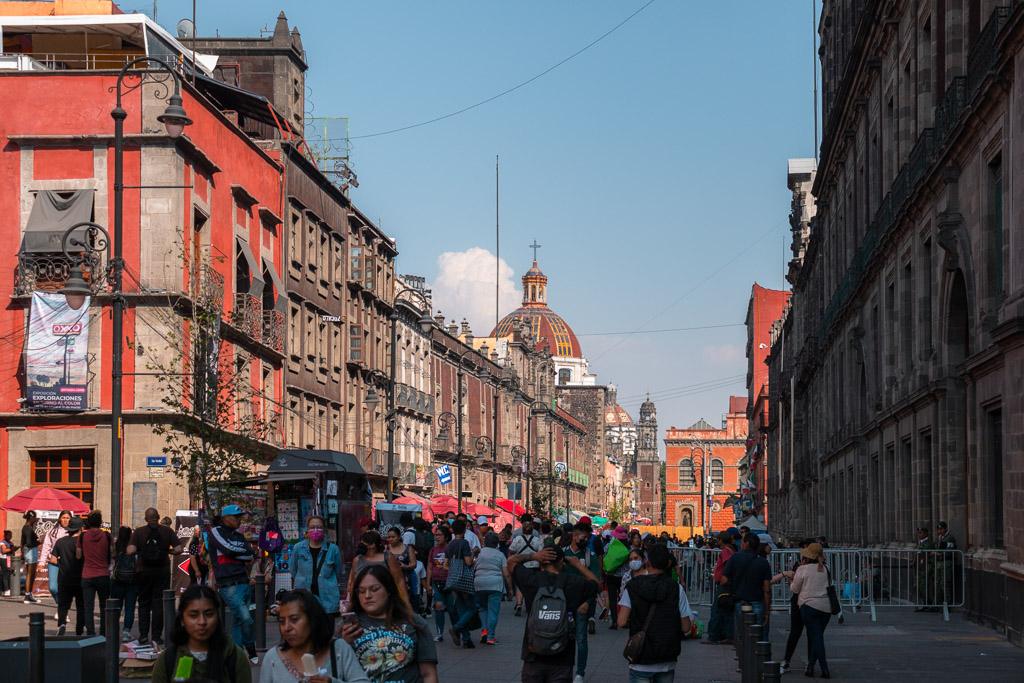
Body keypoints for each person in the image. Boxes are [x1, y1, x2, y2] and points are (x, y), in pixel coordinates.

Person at [507, 541, 600, 683]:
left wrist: (533, 556)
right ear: (562, 562)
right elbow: (596, 584)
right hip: (562, 656)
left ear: (542, 561)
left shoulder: (532, 579)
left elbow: (511, 562)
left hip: (533, 655)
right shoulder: (573, 582)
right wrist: (577, 564)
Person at [341, 564, 439, 683]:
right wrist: (343, 643)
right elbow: (333, 669)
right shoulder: (349, 626)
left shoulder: (413, 622)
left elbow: (428, 674)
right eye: (361, 591)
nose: (367, 596)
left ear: (388, 590)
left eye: (374, 589)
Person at [618, 544, 693, 683]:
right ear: (668, 563)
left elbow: (621, 621)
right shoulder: (676, 589)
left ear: (648, 562)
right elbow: (686, 627)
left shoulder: (633, 586)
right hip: (667, 657)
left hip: (641, 658)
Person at [260, 589, 368, 683]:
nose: (286, 627)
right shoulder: (273, 658)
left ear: (312, 620)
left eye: (294, 619)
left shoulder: (339, 649)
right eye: (282, 621)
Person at [152, 584, 252, 683]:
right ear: (182, 619)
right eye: (193, 615)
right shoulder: (168, 659)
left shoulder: (234, 657)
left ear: (217, 617)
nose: (202, 622)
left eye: (209, 614)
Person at [207, 504, 258, 663]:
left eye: (240, 517)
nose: (239, 521)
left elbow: (250, 555)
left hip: (243, 581)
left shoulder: (239, 536)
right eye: (236, 517)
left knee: (238, 620)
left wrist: (238, 553)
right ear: (225, 518)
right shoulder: (215, 531)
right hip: (228, 584)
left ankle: (237, 655)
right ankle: (250, 647)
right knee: (246, 618)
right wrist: (240, 552)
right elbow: (230, 550)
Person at [128, 507, 183, 646]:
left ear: (146, 519)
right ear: (158, 517)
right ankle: (156, 637)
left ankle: (143, 635)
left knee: (143, 604)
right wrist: (168, 551)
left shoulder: (139, 532)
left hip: (143, 572)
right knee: (159, 604)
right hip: (162, 571)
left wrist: (139, 550)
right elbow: (179, 549)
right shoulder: (167, 531)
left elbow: (130, 550)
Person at [789, 543, 832, 678]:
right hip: (826, 608)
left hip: (809, 606)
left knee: (816, 638)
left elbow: (795, 589)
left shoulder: (803, 569)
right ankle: (810, 667)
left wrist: (791, 580)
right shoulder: (826, 568)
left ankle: (824, 668)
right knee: (816, 637)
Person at [291, 515, 344, 622]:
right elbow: (293, 570)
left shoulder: (333, 549)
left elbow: (338, 572)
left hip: (327, 599)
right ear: (307, 529)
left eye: (319, 527)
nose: (315, 530)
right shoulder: (298, 548)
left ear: (324, 530)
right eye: (312, 527)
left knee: (327, 632)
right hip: (304, 598)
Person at [722, 533, 772, 643]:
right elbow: (767, 589)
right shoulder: (763, 562)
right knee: (759, 634)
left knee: (741, 634)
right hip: (757, 602)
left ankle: (743, 656)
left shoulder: (735, 558)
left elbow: (724, 580)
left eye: (743, 541)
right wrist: (767, 611)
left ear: (746, 543)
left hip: (740, 601)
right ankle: (759, 657)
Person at [77, 510, 113, 636]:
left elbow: (78, 555)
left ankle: (90, 632)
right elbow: (112, 553)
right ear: (100, 522)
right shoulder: (107, 536)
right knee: (104, 607)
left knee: (88, 607)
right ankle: (103, 632)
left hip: (87, 575)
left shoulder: (82, 536)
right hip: (103, 574)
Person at [444, 519, 477, 648]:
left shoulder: (450, 545)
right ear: (464, 530)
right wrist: (473, 553)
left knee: (461, 609)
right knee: (472, 608)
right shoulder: (464, 543)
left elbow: (446, 565)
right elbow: (468, 562)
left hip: (453, 579)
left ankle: (467, 639)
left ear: (452, 530)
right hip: (464, 580)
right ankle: (456, 628)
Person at [777, 539, 809, 673]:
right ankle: (789, 660)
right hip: (803, 602)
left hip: (803, 601)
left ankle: (790, 661)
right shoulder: (801, 565)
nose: (803, 551)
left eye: (805, 548)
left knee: (799, 633)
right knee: (799, 633)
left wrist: (790, 579)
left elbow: (795, 586)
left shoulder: (806, 566)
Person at [49, 516, 85, 636]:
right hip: (81, 578)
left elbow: (53, 560)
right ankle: (79, 629)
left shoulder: (61, 541)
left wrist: (62, 563)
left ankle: (62, 624)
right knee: (81, 606)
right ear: (80, 529)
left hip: (64, 578)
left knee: (63, 605)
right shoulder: (83, 542)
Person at [474, 531, 510, 645]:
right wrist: (510, 589)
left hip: (479, 584)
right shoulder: (500, 555)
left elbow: (473, 566)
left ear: (485, 542)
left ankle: (484, 631)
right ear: (497, 543)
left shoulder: (480, 553)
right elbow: (506, 573)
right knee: (493, 611)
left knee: (483, 609)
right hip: (495, 584)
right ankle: (491, 636)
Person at [703, 530, 735, 645]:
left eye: (718, 539)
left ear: (721, 540)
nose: (717, 541)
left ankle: (714, 636)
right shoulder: (729, 550)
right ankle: (725, 635)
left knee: (716, 609)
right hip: (725, 584)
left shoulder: (726, 551)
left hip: (724, 585)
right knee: (723, 610)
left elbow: (728, 564)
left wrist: (723, 578)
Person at [508, 513, 542, 616]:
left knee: (520, 586)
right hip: (534, 566)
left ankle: (519, 604)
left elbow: (511, 550)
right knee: (532, 586)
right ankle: (531, 605)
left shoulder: (517, 537)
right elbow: (540, 552)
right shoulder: (537, 538)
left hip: (520, 566)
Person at [111, 525, 139, 642]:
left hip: (117, 580)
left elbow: (111, 560)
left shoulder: (116, 547)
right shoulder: (133, 547)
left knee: (116, 606)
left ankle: (113, 629)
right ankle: (126, 631)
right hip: (132, 581)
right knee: (130, 607)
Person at [39, 510, 72, 606]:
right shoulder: (52, 531)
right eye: (63, 518)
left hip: (67, 562)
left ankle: (62, 609)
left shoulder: (72, 531)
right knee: (53, 587)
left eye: (67, 518)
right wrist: (41, 562)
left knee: (65, 587)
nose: (65, 520)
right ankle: (61, 605)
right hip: (53, 562)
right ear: (59, 519)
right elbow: (46, 547)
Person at [425, 526, 450, 641]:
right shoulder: (433, 550)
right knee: (438, 607)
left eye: (439, 535)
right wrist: (428, 584)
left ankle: (457, 630)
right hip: (436, 582)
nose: (437, 537)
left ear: (446, 537)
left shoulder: (450, 549)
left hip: (449, 583)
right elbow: (429, 567)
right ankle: (439, 633)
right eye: (436, 535)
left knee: (452, 608)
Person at [386, 527, 420, 613]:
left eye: (393, 537)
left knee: (411, 599)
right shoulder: (386, 549)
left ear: (399, 537)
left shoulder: (408, 548)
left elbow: (414, 564)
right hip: (392, 579)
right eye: (389, 537)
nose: (390, 539)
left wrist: (405, 566)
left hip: (408, 578)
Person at [934, 520, 957, 609]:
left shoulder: (949, 538)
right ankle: (939, 604)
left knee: (945, 583)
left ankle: (947, 604)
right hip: (939, 562)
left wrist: (940, 554)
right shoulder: (940, 538)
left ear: (945, 529)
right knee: (938, 583)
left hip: (946, 562)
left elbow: (949, 550)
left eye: (941, 529)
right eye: (938, 529)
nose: (939, 531)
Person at [20, 511, 41, 603]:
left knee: (31, 573)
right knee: (30, 573)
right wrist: (39, 542)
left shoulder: (26, 527)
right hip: (30, 551)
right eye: (34, 518)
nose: (35, 520)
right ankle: (27, 595)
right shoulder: (28, 528)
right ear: (31, 518)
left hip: (28, 551)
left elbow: (23, 543)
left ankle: (29, 594)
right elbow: (28, 543)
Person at [0, 529, 18, 596]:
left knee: (9, 573)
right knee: (5, 573)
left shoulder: (11, 543)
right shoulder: (2, 542)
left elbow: (13, 552)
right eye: (9, 535)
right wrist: (11, 549)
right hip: (3, 558)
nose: (10, 537)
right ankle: (6, 590)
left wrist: (15, 550)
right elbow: (3, 551)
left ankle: (8, 588)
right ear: (6, 535)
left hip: (9, 559)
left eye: (11, 535)